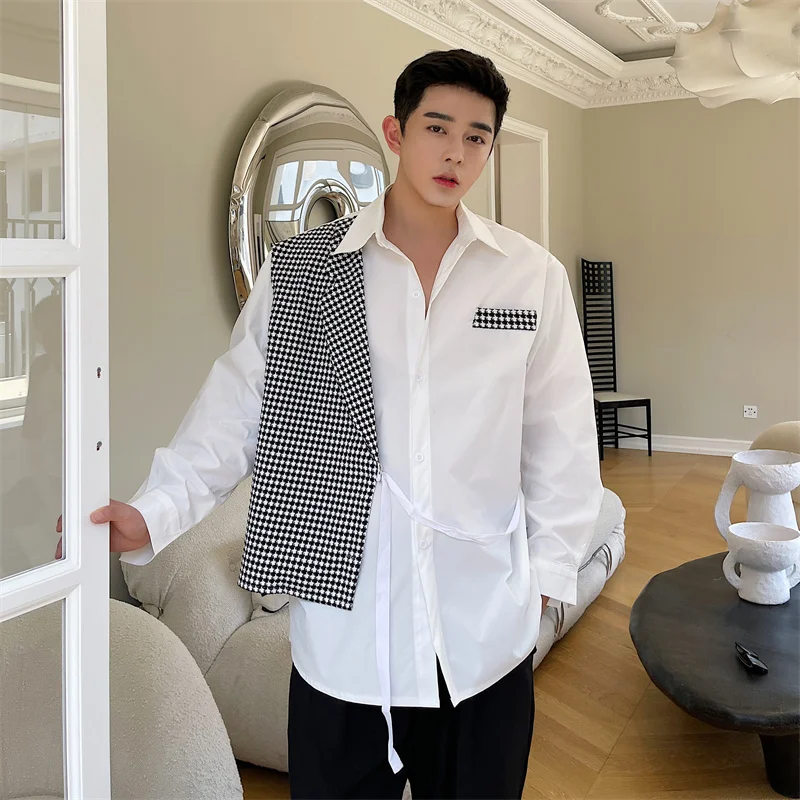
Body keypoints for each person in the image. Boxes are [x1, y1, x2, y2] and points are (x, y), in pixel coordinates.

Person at [63, 48, 603, 799]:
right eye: (437, 127)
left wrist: (546, 580)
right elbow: (235, 408)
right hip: (345, 640)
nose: (455, 151)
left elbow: (562, 443)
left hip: (482, 637)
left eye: (476, 136)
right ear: (396, 132)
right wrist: (153, 511)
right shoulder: (306, 266)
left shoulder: (530, 277)